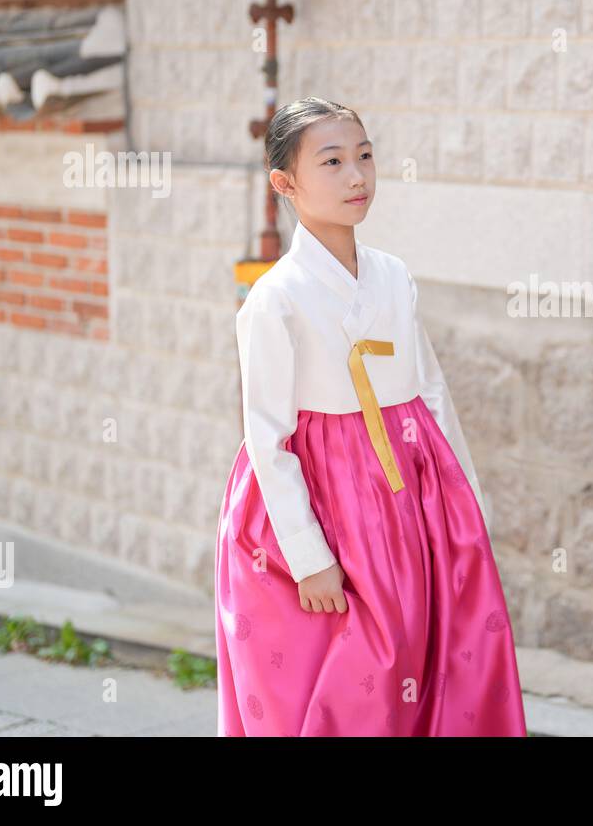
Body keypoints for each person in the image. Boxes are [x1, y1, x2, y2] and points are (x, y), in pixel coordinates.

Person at [214, 96, 527, 736]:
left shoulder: (392, 276)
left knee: (427, 666)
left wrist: (466, 505)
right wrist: (309, 556)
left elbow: (430, 391)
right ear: (286, 183)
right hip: (320, 505)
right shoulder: (276, 299)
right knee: (335, 685)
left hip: (407, 496)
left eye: (364, 156)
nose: (357, 177)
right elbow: (266, 438)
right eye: (332, 162)